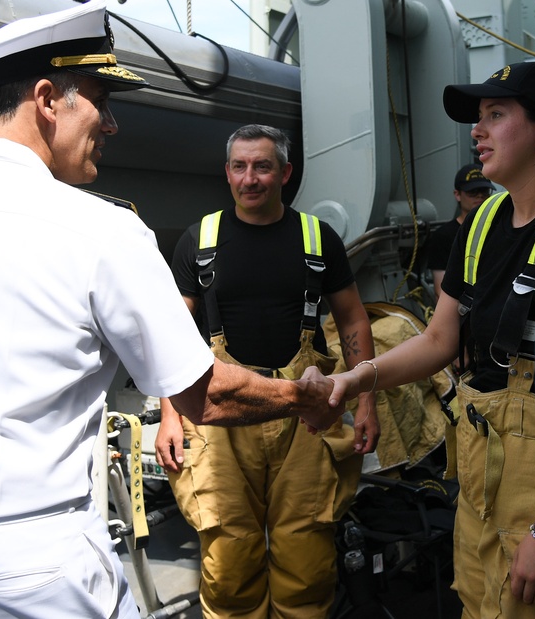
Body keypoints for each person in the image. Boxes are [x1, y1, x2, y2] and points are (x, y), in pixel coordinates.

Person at [0, 0, 352, 619]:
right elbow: (203, 395)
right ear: (48, 100)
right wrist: (302, 397)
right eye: (100, 101)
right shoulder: (99, 230)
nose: (110, 124)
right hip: (28, 566)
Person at [313, 61, 535, 618]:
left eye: (496, 115)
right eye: (477, 118)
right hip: (483, 479)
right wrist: (350, 379)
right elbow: (439, 340)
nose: (476, 132)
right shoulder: (482, 224)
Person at [154, 124, 381, 619]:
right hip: (220, 412)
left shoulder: (318, 238)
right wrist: (170, 415)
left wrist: (366, 402)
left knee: (306, 553)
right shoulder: (200, 239)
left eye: (262, 166)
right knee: (229, 555)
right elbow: (168, 334)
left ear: (285, 173)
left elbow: (352, 320)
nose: (250, 178)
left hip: (306, 412)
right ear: (227, 172)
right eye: (239, 166)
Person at [426, 163, 494, 300]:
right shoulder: (443, 236)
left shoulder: (499, 229)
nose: (480, 196)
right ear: (457, 194)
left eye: (484, 191)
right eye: (473, 192)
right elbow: (441, 291)